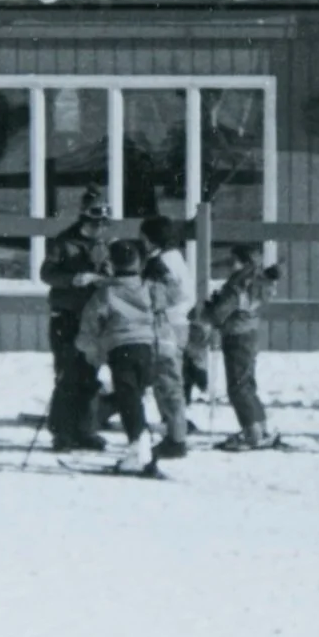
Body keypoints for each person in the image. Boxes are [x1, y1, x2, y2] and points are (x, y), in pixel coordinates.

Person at [79, 238, 175, 476]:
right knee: (137, 396)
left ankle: (137, 447)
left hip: (120, 348)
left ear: (112, 263)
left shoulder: (107, 292)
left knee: (127, 397)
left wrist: (87, 348)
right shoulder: (148, 286)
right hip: (147, 347)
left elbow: (91, 322)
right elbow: (166, 300)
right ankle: (140, 443)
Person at [40, 187, 112, 452]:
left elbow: (111, 272)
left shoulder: (103, 245)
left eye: (103, 224)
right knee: (67, 373)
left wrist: (104, 275)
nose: (99, 229)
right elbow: (47, 274)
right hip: (67, 316)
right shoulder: (63, 242)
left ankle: (86, 429)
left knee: (89, 373)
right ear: (84, 220)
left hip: (92, 317)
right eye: (95, 224)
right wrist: (72, 279)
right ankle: (62, 431)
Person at [207, 244, 282, 451]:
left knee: (237, 387)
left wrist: (210, 310)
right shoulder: (259, 281)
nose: (230, 266)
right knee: (247, 383)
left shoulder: (238, 283)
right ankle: (260, 426)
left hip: (236, 334)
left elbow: (221, 311)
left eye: (233, 261)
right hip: (250, 332)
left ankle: (252, 433)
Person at [140, 215, 195, 460]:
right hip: (179, 324)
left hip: (166, 326)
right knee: (169, 380)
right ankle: (175, 426)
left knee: (167, 381)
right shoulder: (176, 257)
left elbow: (170, 293)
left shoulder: (160, 263)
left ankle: (175, 437)